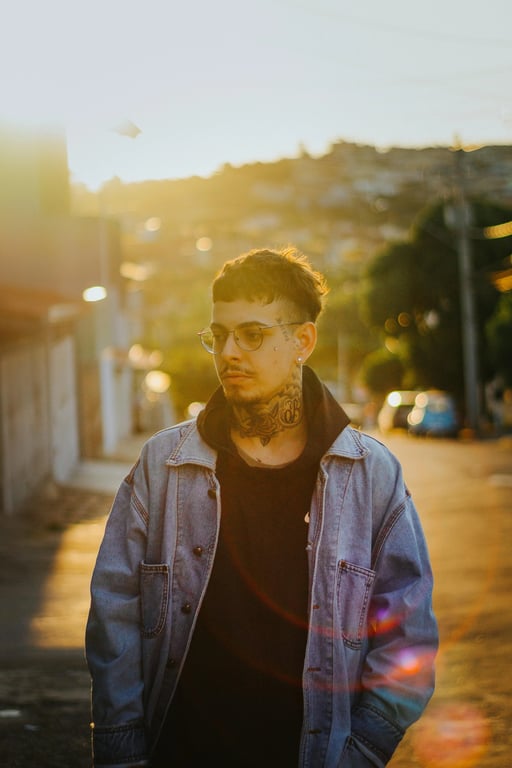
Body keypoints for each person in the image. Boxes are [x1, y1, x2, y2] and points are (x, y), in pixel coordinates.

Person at [86, 246, 438, 768]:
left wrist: (360, 750)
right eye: (218, 335)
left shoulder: (369, 473)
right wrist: (122, 749)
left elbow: (408, 634)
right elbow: (114, 613)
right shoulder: (164, 465)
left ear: (303, 341)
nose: (229, 353)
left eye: (252, 335)